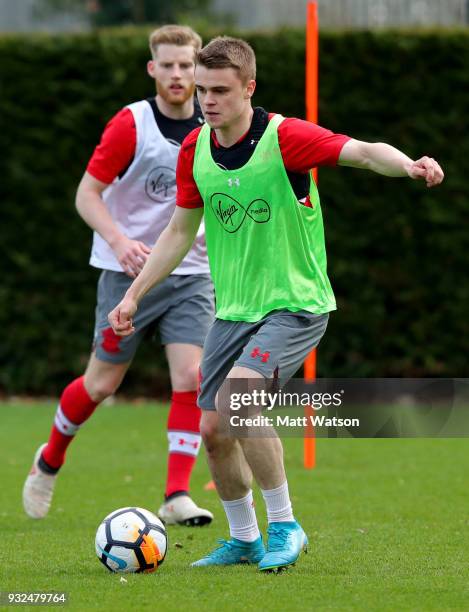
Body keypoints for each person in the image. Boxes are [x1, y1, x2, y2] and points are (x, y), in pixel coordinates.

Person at [107, 36, 444, 571]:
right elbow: (178, 230)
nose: (207, 101)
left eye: (220, 90)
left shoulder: (284, 138)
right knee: (214, 429)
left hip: (295, 303)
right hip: (234, 311)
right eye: (202, 90)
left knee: (240, 400)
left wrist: (408, 165)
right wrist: (133, 294)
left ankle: (285, 524)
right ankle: (244, 539)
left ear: (249, 88)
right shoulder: (195, 149)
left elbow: (360, 151)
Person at [23, 25, 215, 527]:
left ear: (199, 68)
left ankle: (175, 495)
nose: (178, 74)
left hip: (193, 272)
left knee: (191, 378)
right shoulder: (132, 124)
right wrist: (121, 242)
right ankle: (50, 459)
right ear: (152, 69)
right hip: (125, 274)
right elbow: (87, 194)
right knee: (101, 384)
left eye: (186, 65)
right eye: (167, 65)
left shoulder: (215, 123)